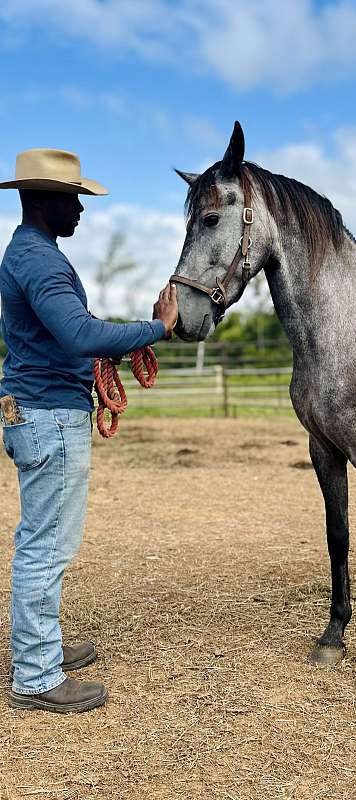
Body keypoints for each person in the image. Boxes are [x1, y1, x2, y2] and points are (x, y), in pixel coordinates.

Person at [0, 148, 178, 713]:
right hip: (50, 416)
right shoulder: (42, 263)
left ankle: (41, 648)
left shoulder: (30, 253)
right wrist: (158, 328)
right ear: (44, 200)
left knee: (44, 541)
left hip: (39, 409)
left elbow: (64, 339)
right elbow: (79, 335)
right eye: (73, 199)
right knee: (45, 547)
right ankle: (35, 676)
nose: (80, 209)